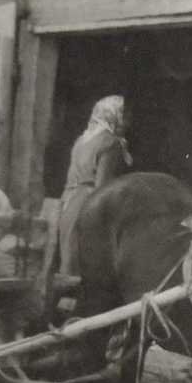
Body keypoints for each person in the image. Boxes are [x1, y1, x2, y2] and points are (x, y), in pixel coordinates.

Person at [57, 94, 132, 276]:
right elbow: (102, 189)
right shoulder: (110, 142)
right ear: (114, 115)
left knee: (69, 259)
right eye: (125, 116)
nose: (129, 122)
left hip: (69, 204)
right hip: (88, 205)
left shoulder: (82, 140)